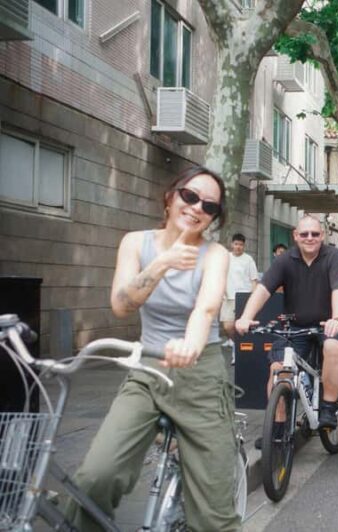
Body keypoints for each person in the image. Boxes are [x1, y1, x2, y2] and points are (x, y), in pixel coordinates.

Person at [64, 166, 238, 531]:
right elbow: (121, 305)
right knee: (95, 478)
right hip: (147, 372)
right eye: (190, 196)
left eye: (209, 206)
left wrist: (190, 344)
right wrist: (163, 262)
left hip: (200, 374)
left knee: (214, 517)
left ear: (214, 217)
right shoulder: (135, 243)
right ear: (171, 196)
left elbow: (206, 309)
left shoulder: (215, 254)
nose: (197, 208)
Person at [236, 216, 338, 438]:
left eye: (315, 234)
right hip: (297, 325)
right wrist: (246, 317)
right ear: (296, 236)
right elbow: (263, 289)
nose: (310, 238)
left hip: (330, 323)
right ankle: (277, 429)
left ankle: (328, 406)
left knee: (333, 347)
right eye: (304, 234)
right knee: (278, 370)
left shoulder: (334, 256)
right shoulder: (285, 260)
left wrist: (337, 318)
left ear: (322, 236)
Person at [221, 233, 259, 363]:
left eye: (241, 245)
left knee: (241, 326)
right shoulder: (225, 258)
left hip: (244, 297)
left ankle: (237, 352)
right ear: (232, 244)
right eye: (236, 244)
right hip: (228, 298)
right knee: (228, 326)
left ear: (244, 246)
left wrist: (252, 297)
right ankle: (236, 344)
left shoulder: (248, 260)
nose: (238, 247)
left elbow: (254, 280)